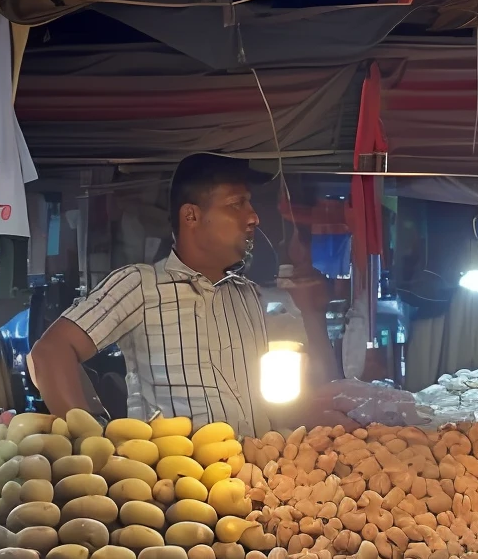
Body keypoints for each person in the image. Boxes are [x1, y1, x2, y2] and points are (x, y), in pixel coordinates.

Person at [30, 153, 290, 433]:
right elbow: (50, 351)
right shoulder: (141, 285)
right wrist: (92, 440)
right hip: (172, 473)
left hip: (254, 471)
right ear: (191, 215)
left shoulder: (247, 295)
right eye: (237, 204)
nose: (253, 217)